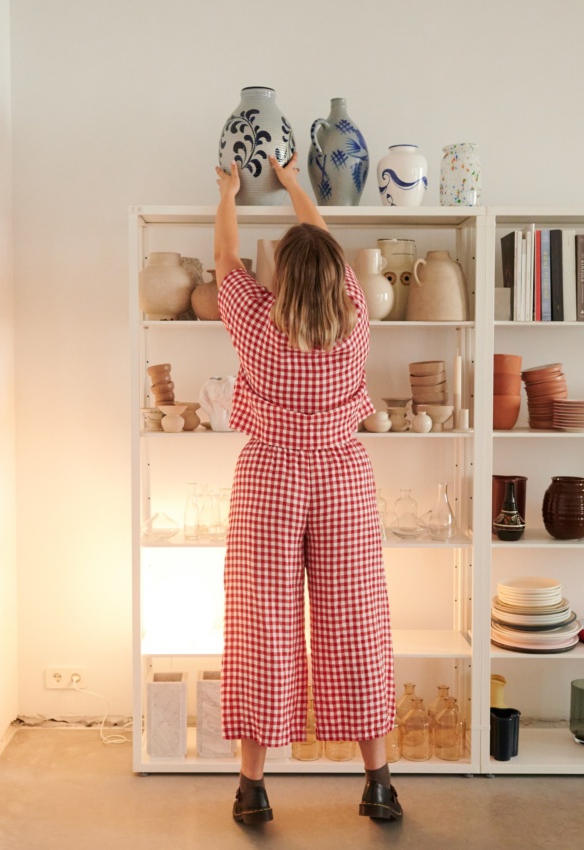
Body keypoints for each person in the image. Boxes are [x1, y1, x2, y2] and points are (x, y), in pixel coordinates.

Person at [214, 152, 402, 824]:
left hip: (270, 474)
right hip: (343, 475)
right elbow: (326, 247)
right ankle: (378, 781)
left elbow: (226, 258)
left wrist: (231, 193)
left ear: (284, 278)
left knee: (261, 624)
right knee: (355, 622)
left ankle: (253, 787)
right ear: (337, 276)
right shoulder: (356, 316)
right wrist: (297, 186)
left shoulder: (255, 323)